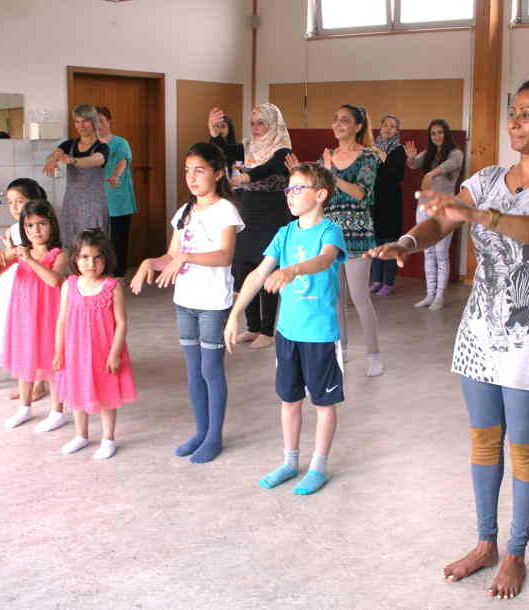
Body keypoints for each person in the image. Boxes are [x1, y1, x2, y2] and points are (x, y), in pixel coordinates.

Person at [366, 70, 529, 600]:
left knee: (522, 446)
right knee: (483, 440)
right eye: (513, 112)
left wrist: (479, 215)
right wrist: (406, 241)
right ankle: (485, 542)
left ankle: (515, 552)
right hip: (480, 331)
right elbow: (441, 222)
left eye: (528, 113)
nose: (515, 121)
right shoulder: (489, 177)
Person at [225, 162, 347, 496]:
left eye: (297, 189)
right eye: (288, 189)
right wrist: (235, 312)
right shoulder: (284, 233)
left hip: (320, 335)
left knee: (323, 403)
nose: (290, 195)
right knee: (289, 399)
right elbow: (257, 274)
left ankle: (318, 466)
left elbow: (324, 260)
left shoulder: (329, 231)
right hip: (287, 333)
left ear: (320, 194)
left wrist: (292, 270)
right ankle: (290, 461)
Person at [130, 143, 243, 463]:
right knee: (193, 372)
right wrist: (146, 264)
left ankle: (214, 437)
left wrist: (186, 258)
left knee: (211, 369)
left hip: (212, 303)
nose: (191, 177)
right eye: (187, 170)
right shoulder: (184, 212)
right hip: (185, 301)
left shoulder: (225, 210)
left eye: (200, 170)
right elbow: (169, 256)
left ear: (218, 173)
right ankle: (200, 431)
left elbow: (224, 255)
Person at [288, 104, 383, 376]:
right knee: (336, 297)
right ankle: (341, 348)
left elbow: (361, 194)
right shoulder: (326, 156)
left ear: (358, 126)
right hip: (330, 233)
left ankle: (374, 354)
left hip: (358, 233)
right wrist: (303, 176)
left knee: (359, 295)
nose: (339, 124)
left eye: (345, 120)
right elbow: (319, 193)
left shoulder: (368, 156)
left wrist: (332, 174)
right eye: (335, 119)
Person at [207, 104, 291, 350]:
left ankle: (267, 330)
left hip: (272, 213)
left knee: (265, 269)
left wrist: (246, 177)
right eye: (252, 123)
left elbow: (271, 167)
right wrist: (213, 132)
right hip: (248, 212)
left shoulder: (282, 148)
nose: (255, 128)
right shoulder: (247, 146)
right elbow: (221, 151)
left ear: (272, 124)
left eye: (261, 123)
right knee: (243, 268)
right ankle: (253, 326)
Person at [54, 229, 136, 460]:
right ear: (75, 259)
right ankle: (81, 435)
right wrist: (59, 350)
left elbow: (121, 323)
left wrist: (115, 354)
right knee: (77, 391)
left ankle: (108, 438)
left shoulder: (112, 287)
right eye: (85, 257)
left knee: (106, 394)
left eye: (97, 257)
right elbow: (61, 319)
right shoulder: (69, 285)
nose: (91, 263)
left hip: (104, 350)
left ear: (106, 258)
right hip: (75, 351)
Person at [0, 200, 69, 432]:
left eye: (42, 224)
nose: (36, 230)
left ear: (52, 225)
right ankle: (24, 407)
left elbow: (54, 280)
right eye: (29, 226)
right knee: (24, 357)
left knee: (52, 363)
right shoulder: (20, 252)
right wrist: (0, 252)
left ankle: (57, 411)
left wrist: (28, 259)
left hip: (49, 317)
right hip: (23, 315)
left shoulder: (59, 254)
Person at [0, 178, 50, 403]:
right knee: (21, 332)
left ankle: (40, 382)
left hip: (36, 281)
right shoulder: (14, 228)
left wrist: (9, 252)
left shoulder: (38, 225)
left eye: (19, 201)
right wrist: (1, 253)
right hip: (17, 282)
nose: (14, 207)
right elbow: (11, 257)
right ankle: (27, 378)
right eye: (10, 202)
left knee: (38, 330)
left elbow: (28, 253)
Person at [405, 119, 465, 310]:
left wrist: (430, 174)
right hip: (424, 208)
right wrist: (411, 158)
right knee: (428, 252)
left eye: (440, 132)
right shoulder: (429, 153)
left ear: (446, 134)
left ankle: (440, 296)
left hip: (445, 210)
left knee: (440, 253)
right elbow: (413, 165)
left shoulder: (456, 154)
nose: (437, 136)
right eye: (433, 134)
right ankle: (430, 295)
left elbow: (447, 166)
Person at [44, 104, 109, 246]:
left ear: (94, 122)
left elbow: (97, 159)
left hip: (94, 204)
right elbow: (55, 154)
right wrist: (51, 160)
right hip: (71, 203)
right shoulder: (69, 144)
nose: (81, 125)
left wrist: (74, 160)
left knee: (93, 245)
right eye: (77, 122)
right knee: (70, 243)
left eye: (85, 121)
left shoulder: (102, 147)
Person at [96, 106, 136, 278]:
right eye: (94, 122)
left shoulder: (120, 143)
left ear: (109, 122)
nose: (98, 125)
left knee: (118, 238)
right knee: (97, 238)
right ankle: (99, 272)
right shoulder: (90, 144)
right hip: (96, 198)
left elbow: (122, 161)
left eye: (101, 121)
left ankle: (119, 275)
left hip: (118, 196)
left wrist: (115, 176)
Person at [369, 114, 406, 296]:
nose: (388, 129)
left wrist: (384, 157)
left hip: (391, 202)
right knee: (376, 242)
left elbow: (396, 175)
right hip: (375, 201)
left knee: (389, 243)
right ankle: (376, 280)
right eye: (385, 125)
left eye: (392, 126)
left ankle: (388, 282)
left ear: (397, 131)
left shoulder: (399, 150)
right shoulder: (372, 149)